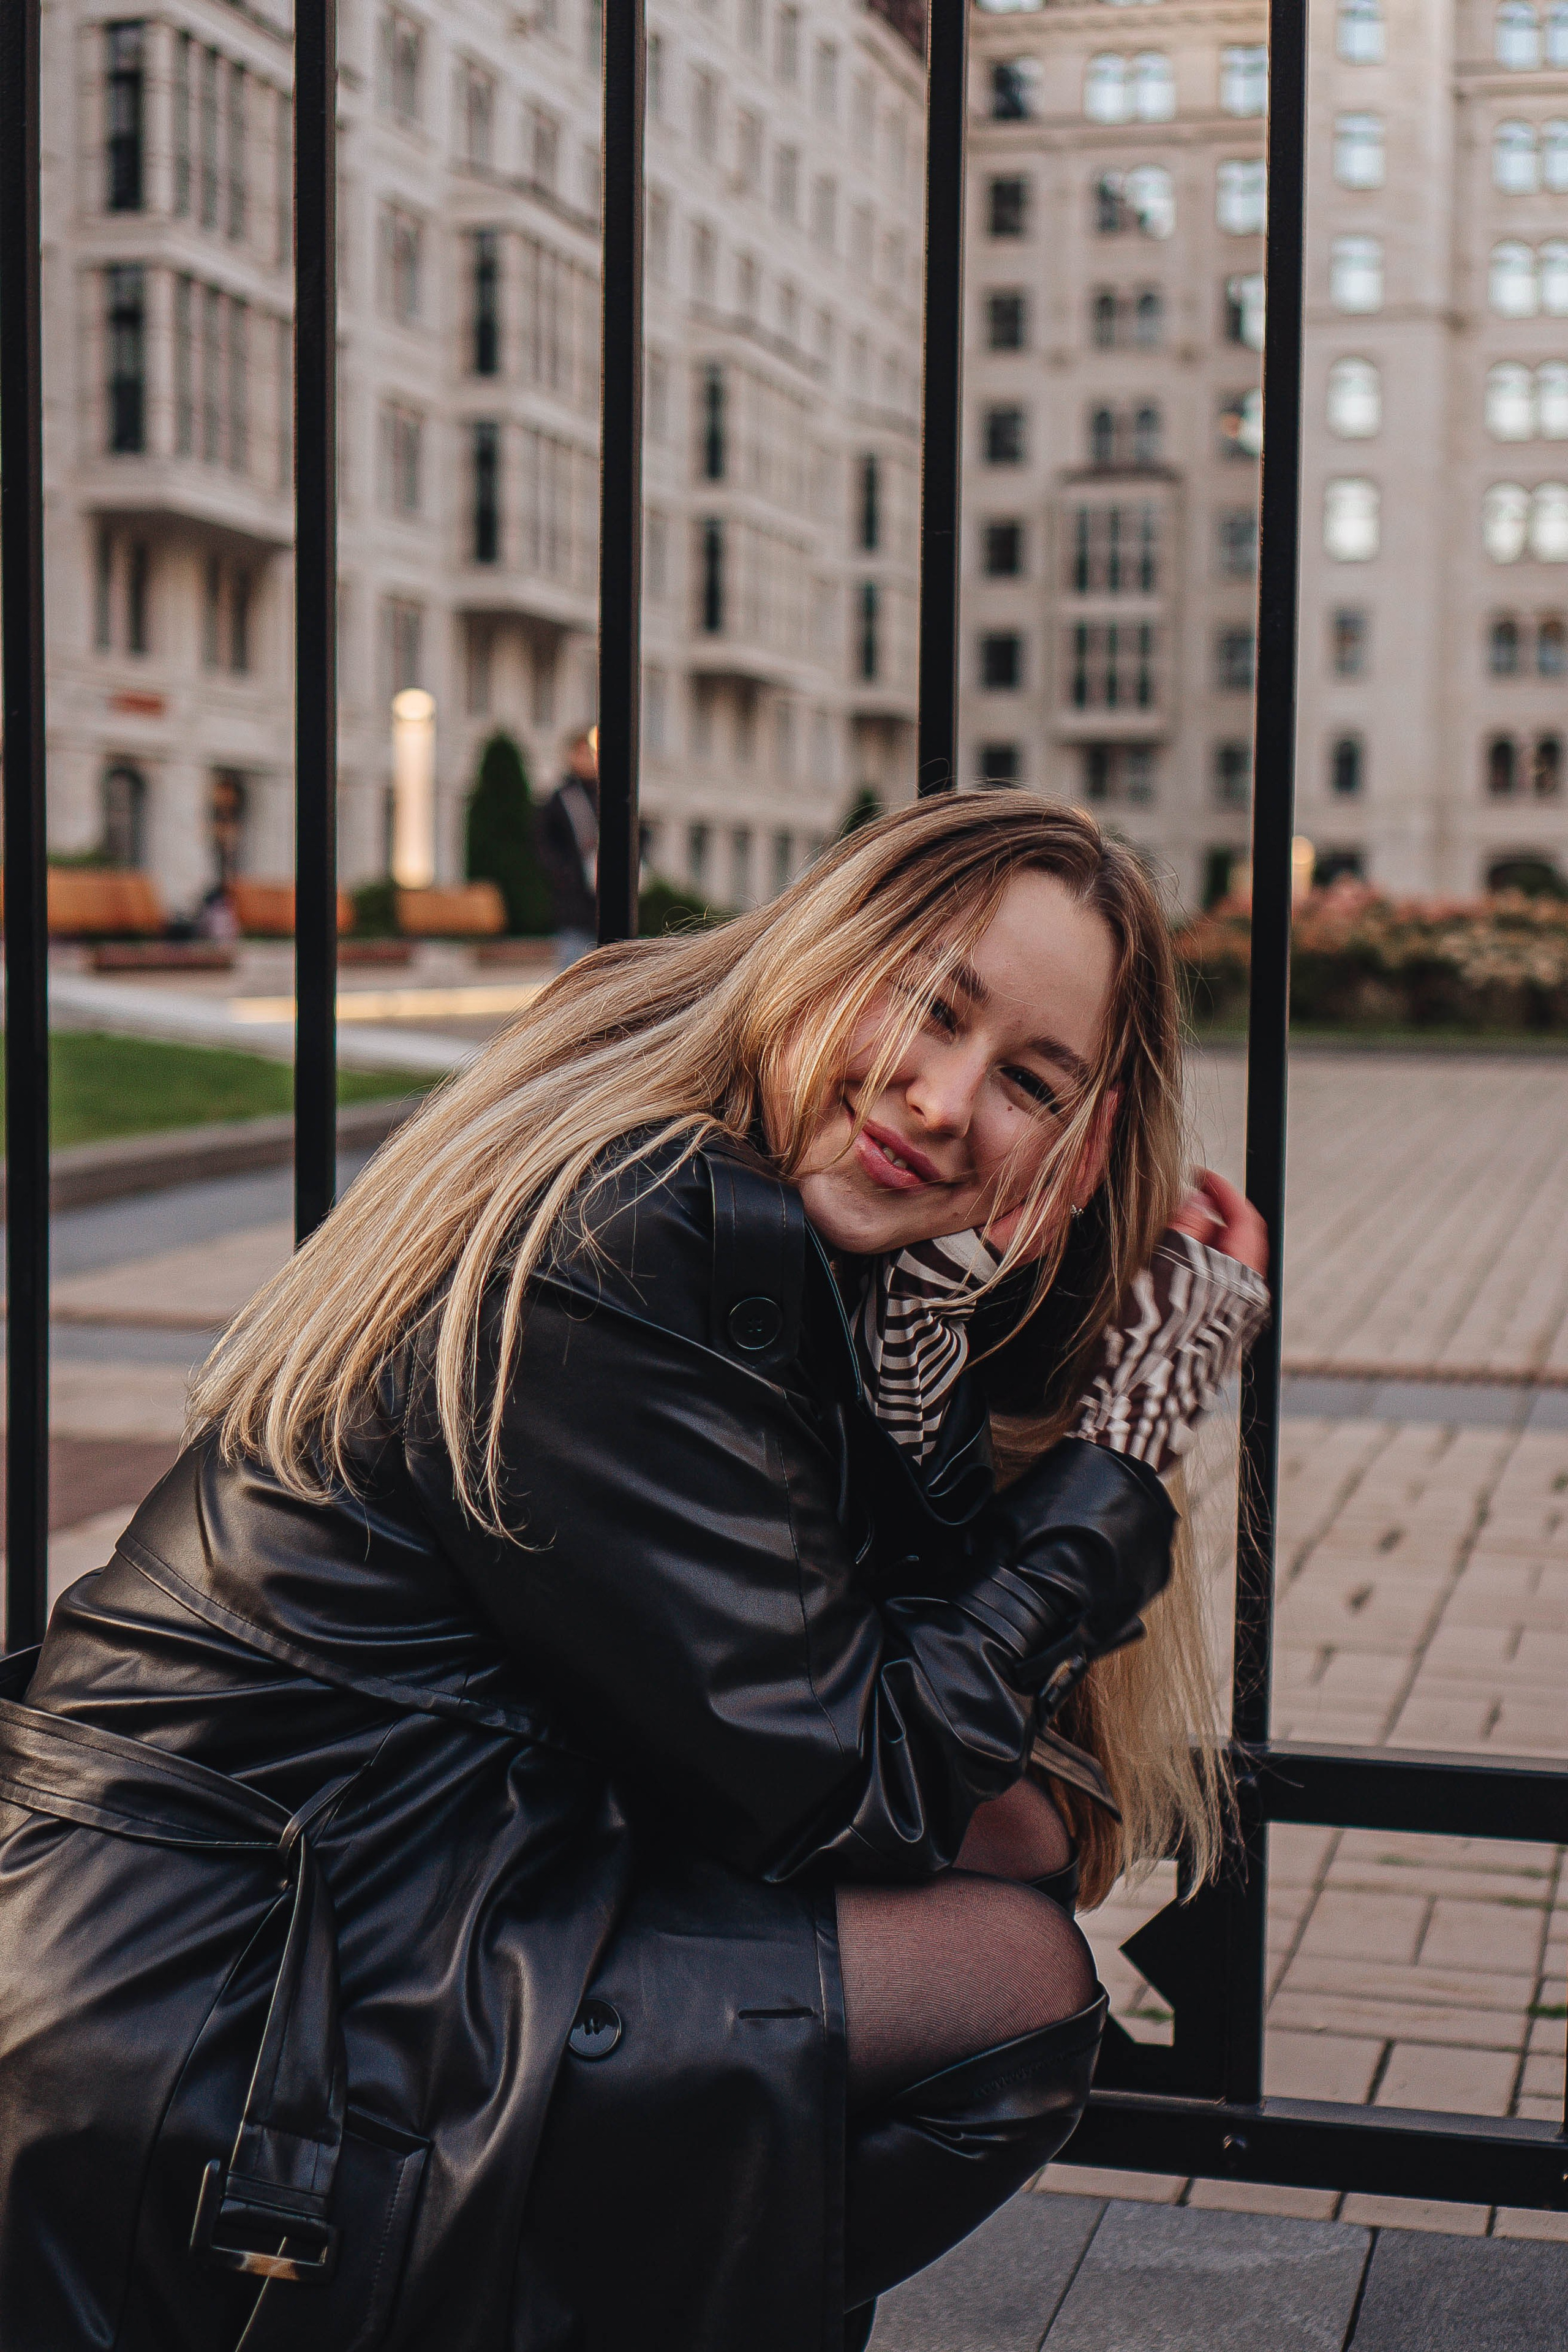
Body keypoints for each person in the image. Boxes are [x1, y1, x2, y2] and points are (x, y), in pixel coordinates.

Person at [0, 796, 1267, 2352]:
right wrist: (1126, 1440)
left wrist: (935, 1352)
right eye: (929, 1002)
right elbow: (863, 1773)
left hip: (395, 1880)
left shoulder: (762, 1235)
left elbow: (938, 1746)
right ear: (823, 956)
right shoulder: (620, 1241)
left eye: (1026, 1081)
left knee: (1003, 1857)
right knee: (998, 1990)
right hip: (219, 1978)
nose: (942, 1100)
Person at [537, 726, 600, 968]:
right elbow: (544, 844)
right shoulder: (562, 799)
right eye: (582, 753)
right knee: (574, 970)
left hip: (607, 904)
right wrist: (565, 875)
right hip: (575, 908)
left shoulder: (609, 795)